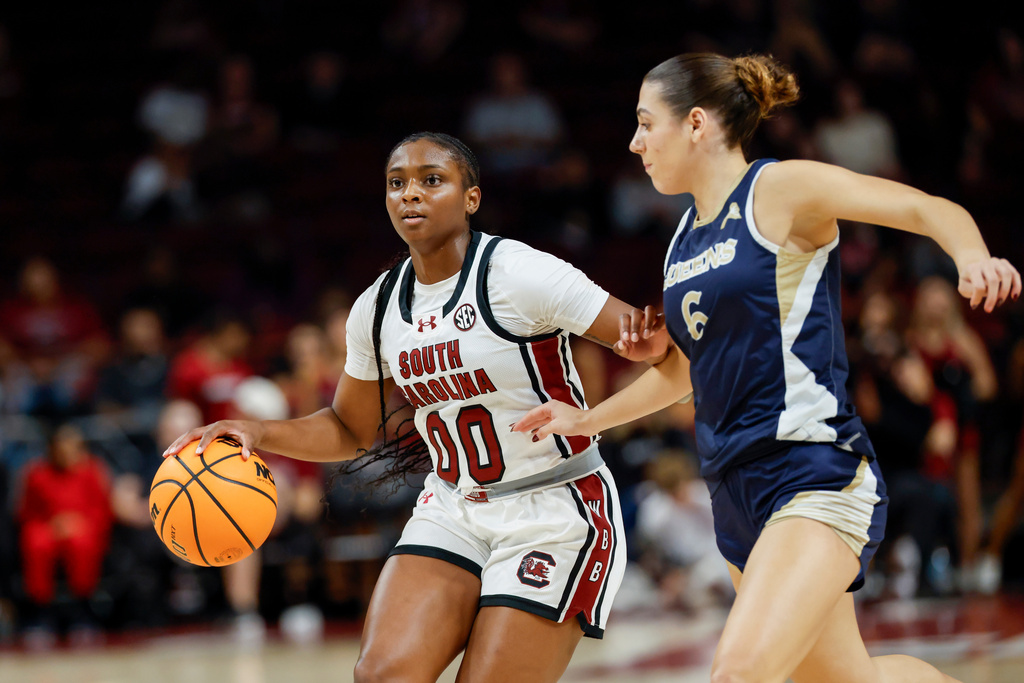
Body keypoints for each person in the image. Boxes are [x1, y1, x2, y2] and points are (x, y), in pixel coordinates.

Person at [513, 52, 1021, 683]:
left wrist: (973, 258)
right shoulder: (683, 239)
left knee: (738, 674)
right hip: (733, 492)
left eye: (647, 123)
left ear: (696, 123)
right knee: (848, 679)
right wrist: (588, 420)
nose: (635, 141)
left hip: (810, 471)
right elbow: (683, 372)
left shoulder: (779, 190)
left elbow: (923, 209)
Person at [164, 131, 667, 681]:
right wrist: (257, 432)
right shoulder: (376, 308)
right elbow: (348, 427)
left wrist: (598, 414)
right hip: (453, 506)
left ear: (471, 197)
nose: (410, 195)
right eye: (396, 183)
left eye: (432, 180)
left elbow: (660, 349)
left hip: (553, 508)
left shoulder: (520, 274)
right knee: (380, 675)